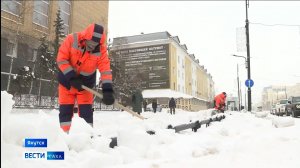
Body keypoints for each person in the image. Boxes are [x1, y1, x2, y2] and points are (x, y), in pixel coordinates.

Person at [56, 23, 114, 133]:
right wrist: (71, 77)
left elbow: (105, 69)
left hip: (85, 86)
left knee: (86, 112)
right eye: (90, 44)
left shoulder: (101, 50)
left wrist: (107, 90)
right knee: (65, 112)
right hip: (67, 83)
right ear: (85, 37)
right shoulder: (71, 39)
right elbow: (61, 59)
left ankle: (88, 137)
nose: (91, 47)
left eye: (94, 45)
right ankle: (64, 136)